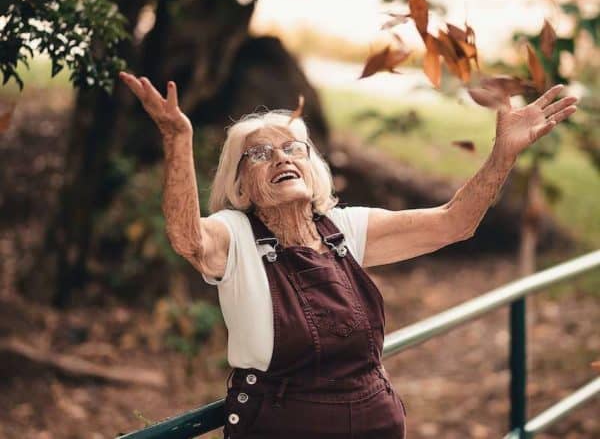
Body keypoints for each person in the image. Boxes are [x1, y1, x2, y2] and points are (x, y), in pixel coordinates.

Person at [119, 71, 577, 438]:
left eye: (292, 148)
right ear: (240, 186)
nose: (282, 159)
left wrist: (504, 154)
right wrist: (177, 141)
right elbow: (187, 239)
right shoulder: (234, 235)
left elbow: (454, 223)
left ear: (311, 166)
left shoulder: (345, 227)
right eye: (259, 154)